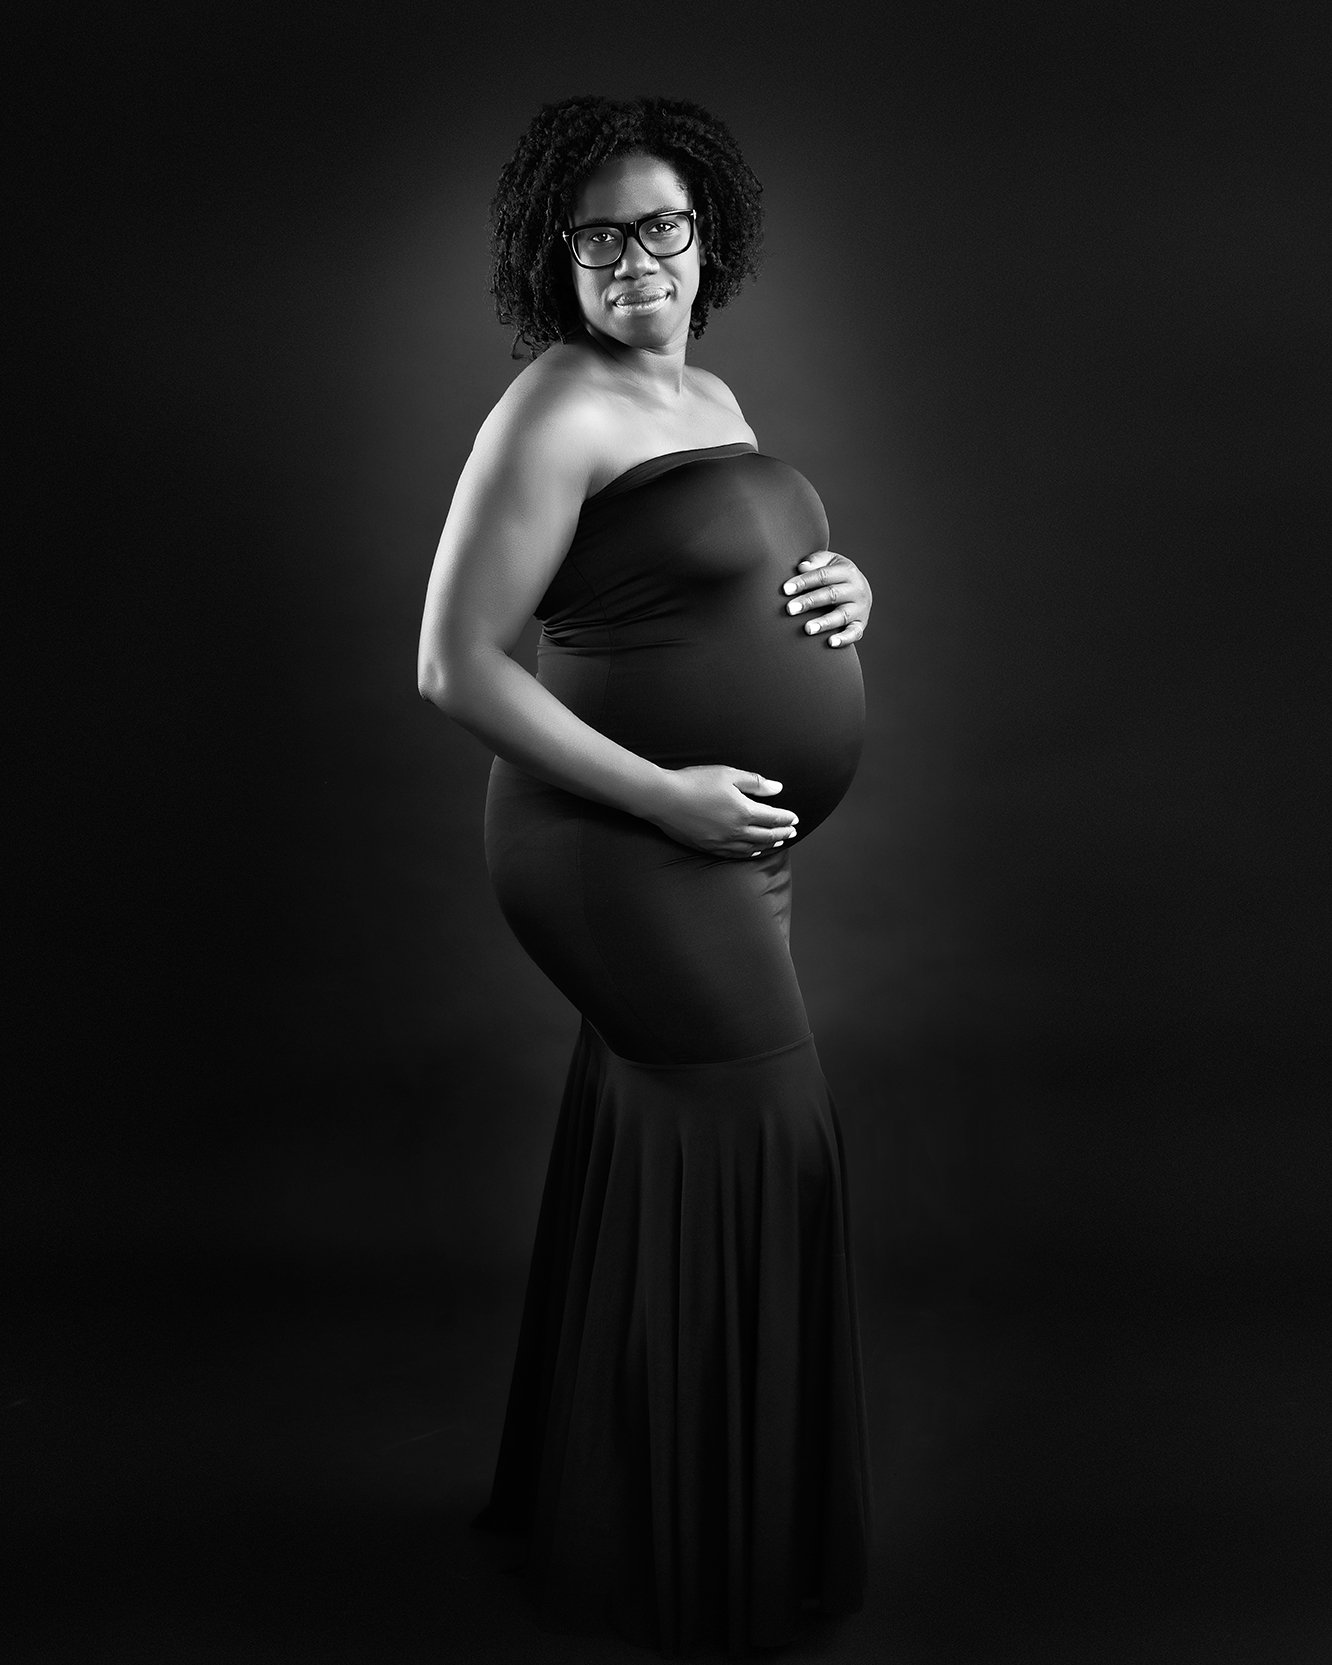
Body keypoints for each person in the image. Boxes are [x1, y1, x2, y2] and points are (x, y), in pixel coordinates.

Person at [417, 94, 873, 1656]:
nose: (633, 260)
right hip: (612, 843)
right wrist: (670, 801)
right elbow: (454, 663)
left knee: (675, 1135)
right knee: (760, 1125)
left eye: (661, 226)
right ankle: (701, 1555)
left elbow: (705, 574)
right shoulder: (557, 404)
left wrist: (835, 581)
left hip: (721, 847)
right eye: (599, 234)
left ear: (709, 238)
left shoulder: (710, 391)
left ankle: (619, 1514)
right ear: (563, 256)